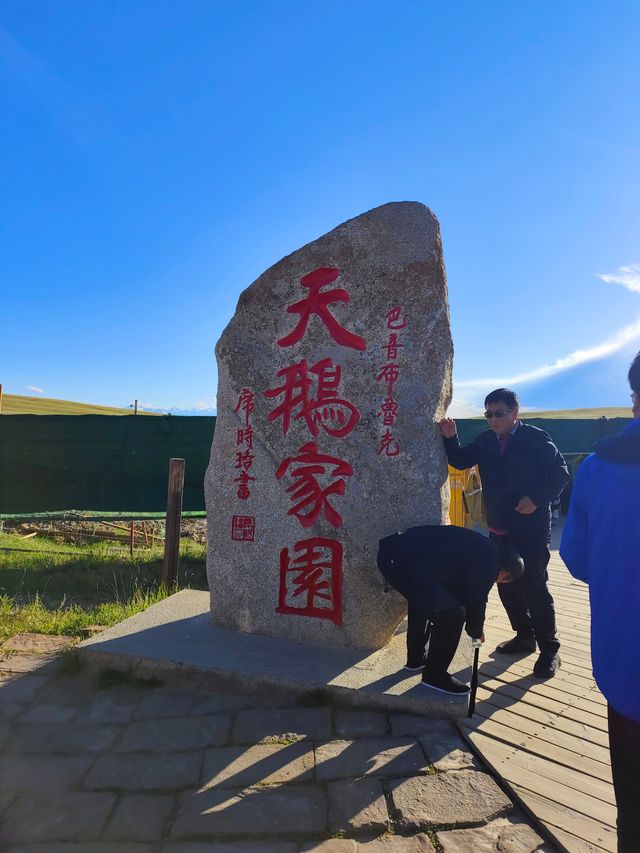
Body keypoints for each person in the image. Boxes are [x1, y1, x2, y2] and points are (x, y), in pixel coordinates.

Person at [560, 352, 640, 852]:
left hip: (626, 660)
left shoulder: (597, 467)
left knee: (632, 798)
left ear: (634, 398)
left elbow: (577, 558)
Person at [439, 388, 569, 679]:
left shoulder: (536, 438)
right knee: (505, 584)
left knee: (534, 586)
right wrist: (450, 437)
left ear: (514, 413)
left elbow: (560, 473)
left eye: (499, 413)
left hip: (531, 527)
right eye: (488, 414)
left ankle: (550, 649)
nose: (493, 419)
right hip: (500, 527)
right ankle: (524, 636)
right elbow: (460, 460)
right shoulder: (486, 441)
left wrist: (535, 498)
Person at [377, 524, 524, 695]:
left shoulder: (487, 549)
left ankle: (415, 659)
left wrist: (474, 627)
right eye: (502, 582)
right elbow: (476, 599)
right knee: (452, 615)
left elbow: (465, 589)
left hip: (395, 553)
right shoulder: (489, 566)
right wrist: (476, 631)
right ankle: (434, 676)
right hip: (400, 562)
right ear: (505, 574)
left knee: (424, 599)